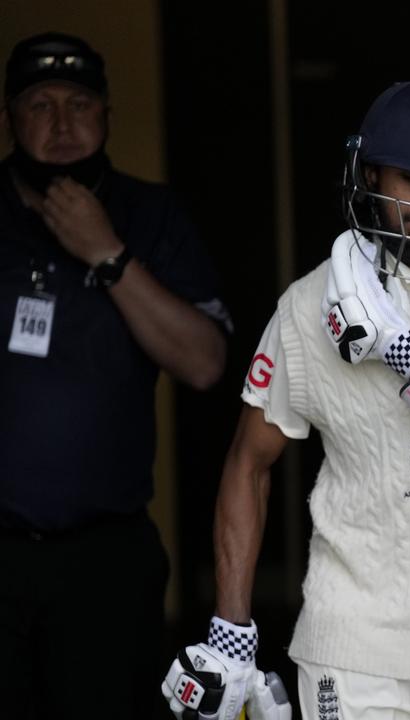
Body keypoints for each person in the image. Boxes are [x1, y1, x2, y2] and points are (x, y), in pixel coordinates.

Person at [161, 80, 410, 720]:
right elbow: (249, 463)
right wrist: (230, 631)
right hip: (350, 647)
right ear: (370, 170)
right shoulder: (305, 305)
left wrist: (408, 353)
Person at [0, 31, 231, 720]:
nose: (63, 124)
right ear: (10, 117)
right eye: (41, 104)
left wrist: (106, 253)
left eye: (79, 103)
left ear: (106, 116)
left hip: (106, 556)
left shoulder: (150, 215)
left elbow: (205, 363)